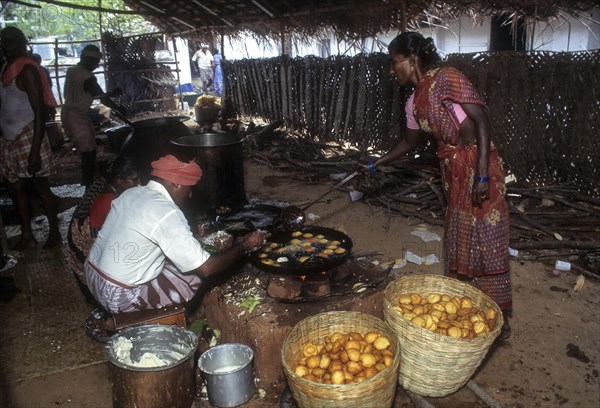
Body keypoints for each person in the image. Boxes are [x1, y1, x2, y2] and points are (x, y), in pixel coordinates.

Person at [365, 32, 512, 339]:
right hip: (453, 172)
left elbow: (482, 121)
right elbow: (408, 142)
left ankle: (499, 319)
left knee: (488, 236)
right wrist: (374, 163)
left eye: (394, 63)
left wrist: (482, 175)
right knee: (460, 235)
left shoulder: (447, 78)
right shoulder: (414, 102)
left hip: (478, 163)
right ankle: (468, 311)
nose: (392, 70)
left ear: (411, 58)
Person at [85, 154, 269, 315]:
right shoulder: (166, 211)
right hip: (118, 295)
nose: (190, 196)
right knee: (192, 276)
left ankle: (114, 318)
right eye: (190, 189)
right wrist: (245, 244)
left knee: (175, 261)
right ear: (176, 184)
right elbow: (207, 267)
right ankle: (139, 319)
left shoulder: (132, 193)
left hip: (92, 275)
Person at [0, 26, 60, 250]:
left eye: (11, 41)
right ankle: (27, 235)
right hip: (9, 139)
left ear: (23, 43)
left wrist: (35, 151)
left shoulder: (27, 70)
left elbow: (39, 113)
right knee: (16, 189)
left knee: (41, 186)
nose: (6, 46)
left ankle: (54, 232)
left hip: (28, 135)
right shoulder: (7, 69)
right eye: (3, 41)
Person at [67, 155, 141, 294]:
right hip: (86, 252)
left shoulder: (105, 184)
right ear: (119, 180)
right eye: (134, 180)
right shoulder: (109, 202)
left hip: (88, 239)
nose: (139, 184)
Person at [62, 44, 125, 188]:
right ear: (87, 60)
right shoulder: (87, 76)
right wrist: (119, 108)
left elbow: (94, 93)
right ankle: (88, 185)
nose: (96, 66)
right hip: (76, 117)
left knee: (88, 149)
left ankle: (88, 182)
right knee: (88, 152)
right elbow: (101, 98)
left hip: (72, 113)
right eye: (95, 63)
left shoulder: (73, 70)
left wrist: (110, 94)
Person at [31, 53, 56, 121]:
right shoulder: (42, 70)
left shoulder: (42, 70)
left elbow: (49, 84)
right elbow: (50, 83)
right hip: (42, 96)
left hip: (41, 96)